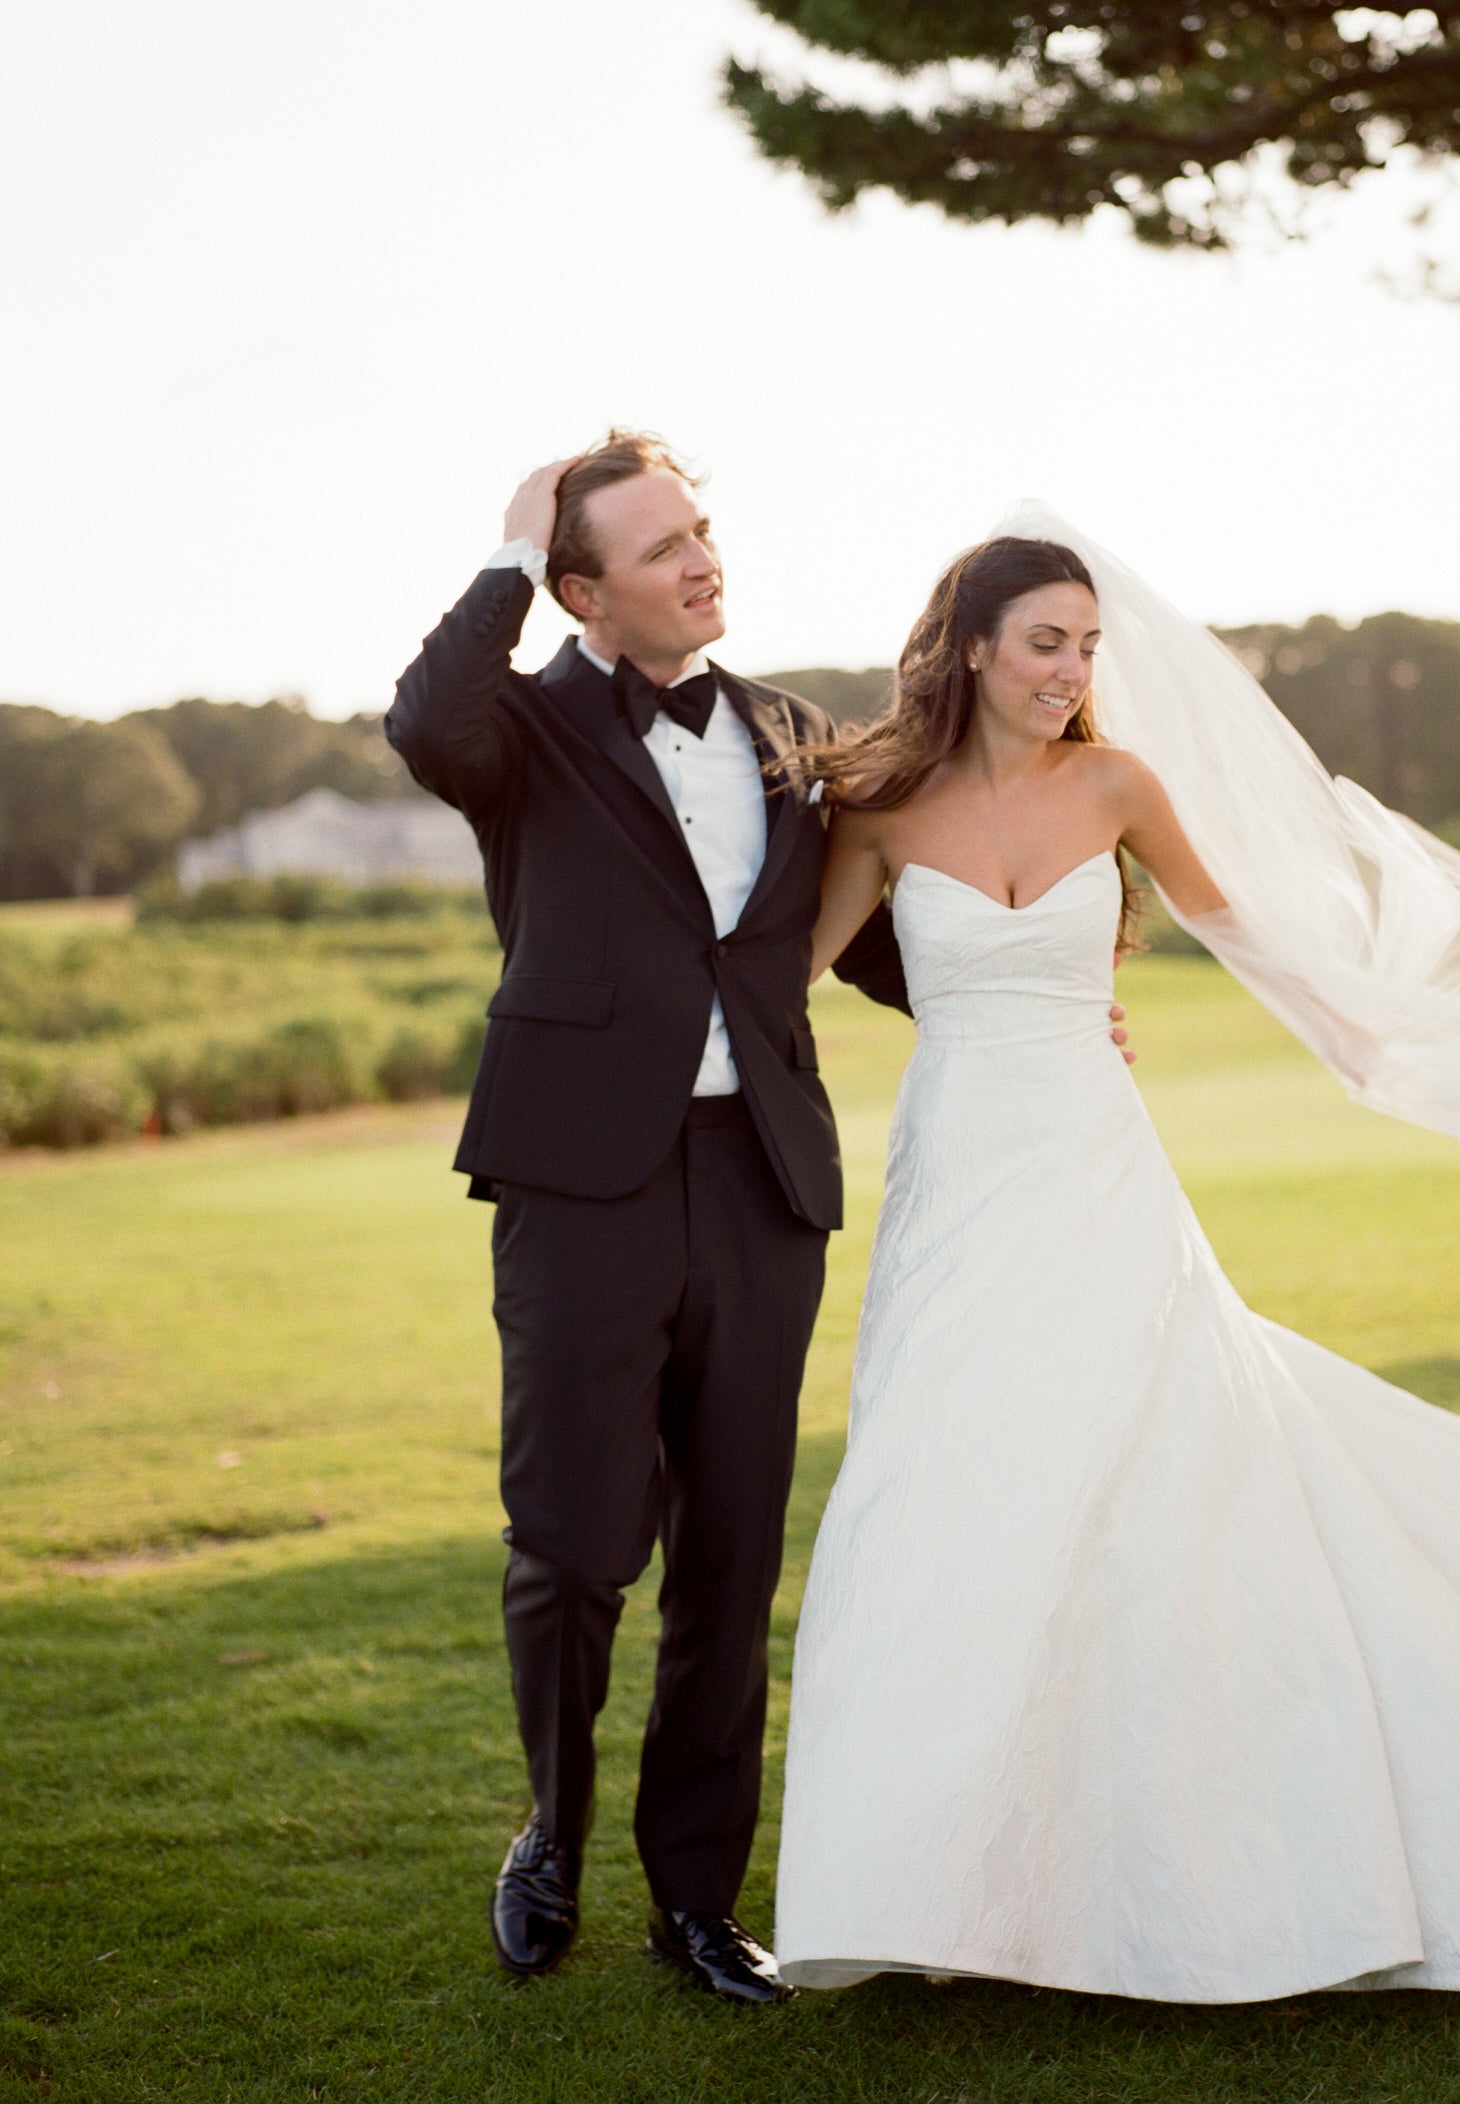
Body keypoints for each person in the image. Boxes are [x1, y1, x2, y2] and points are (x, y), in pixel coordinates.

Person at [774, 524, 1460, 2006]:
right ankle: (951, 1878)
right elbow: (778, 980)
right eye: (1044, 642)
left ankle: (1164, 1858)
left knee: (1147, 1457)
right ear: (971, 644)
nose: (1069, 672)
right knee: (952, 1472)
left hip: (1092, 1166)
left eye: (1088, 646)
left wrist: (1389, 1041)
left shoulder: (1115, 785)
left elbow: (1247, 933)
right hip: (956, 1181)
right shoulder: (878, 812)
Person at [387, 440, 1136, 1998]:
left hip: (760, 1187)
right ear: (580, 588)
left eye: (702, 534)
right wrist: (512, 547)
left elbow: (853, 935)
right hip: (576, 1185)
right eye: (659, 549)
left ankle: (695, 1903)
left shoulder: (796, 734)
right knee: (576, 1548)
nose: (701, 562)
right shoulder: (517, 729)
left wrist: (1041, 1003)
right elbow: (424, 717)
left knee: (731, 1557)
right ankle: (550, 1833)